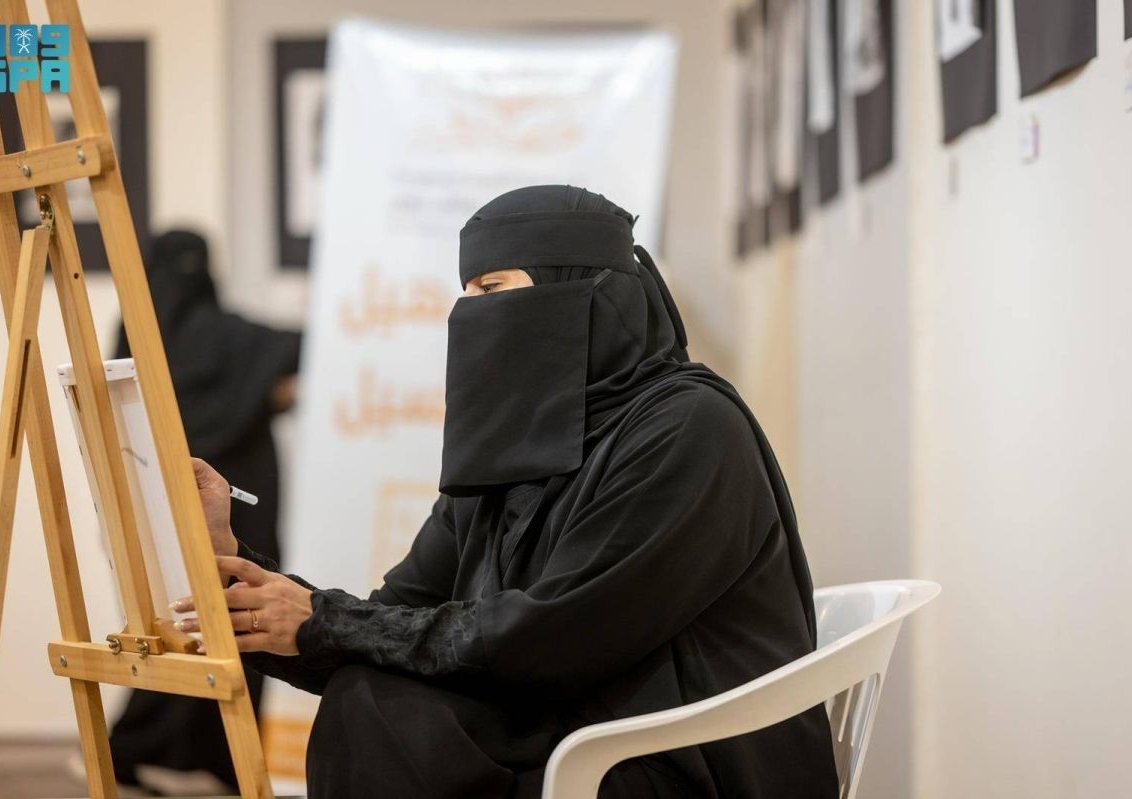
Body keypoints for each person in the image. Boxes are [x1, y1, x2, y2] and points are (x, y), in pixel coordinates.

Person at [176, 186, 839, 797]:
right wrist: (231, 563)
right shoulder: (511, 448)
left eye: (494, 288)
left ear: (581, 292)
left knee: (379, 710)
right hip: (560, 732)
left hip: (673, 760)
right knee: (369, 694)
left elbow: (554, 639)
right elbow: (389, 623)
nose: (475, 316)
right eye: (466, 293)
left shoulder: (687, 428)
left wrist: (325, 622)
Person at [108, 229, 302, 793]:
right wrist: (264, 394)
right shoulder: (240, 341)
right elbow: (302, 349)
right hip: (242, 509)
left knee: (175, 620)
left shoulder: (137, 333)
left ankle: (147, 750)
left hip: (159, 500)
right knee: (238, 615)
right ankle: (226, 755)